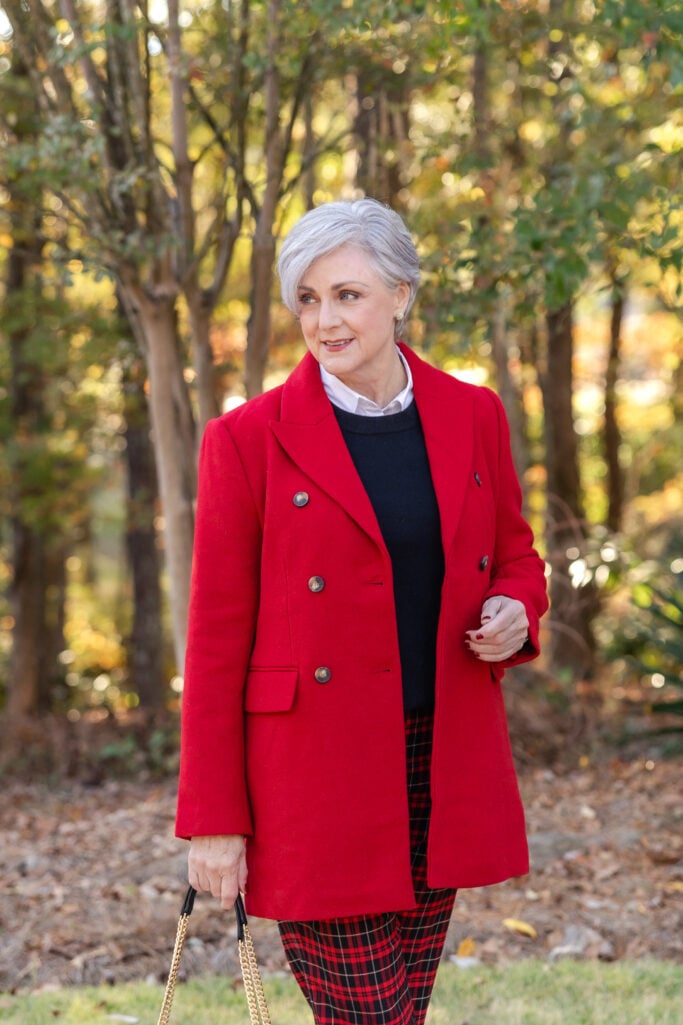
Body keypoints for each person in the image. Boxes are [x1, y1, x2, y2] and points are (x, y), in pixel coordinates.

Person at [176, 198, 548, 1025]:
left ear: (401, 293)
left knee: (399, 1013)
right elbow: (213, 640)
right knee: (366, 1016)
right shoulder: (246, 439)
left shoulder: (472, 414)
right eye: (306, 299)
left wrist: (515, 610)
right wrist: (212, 818)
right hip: (312, 776)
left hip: (439, 759)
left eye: (346, 294)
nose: (324, 319)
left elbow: (516, 557)